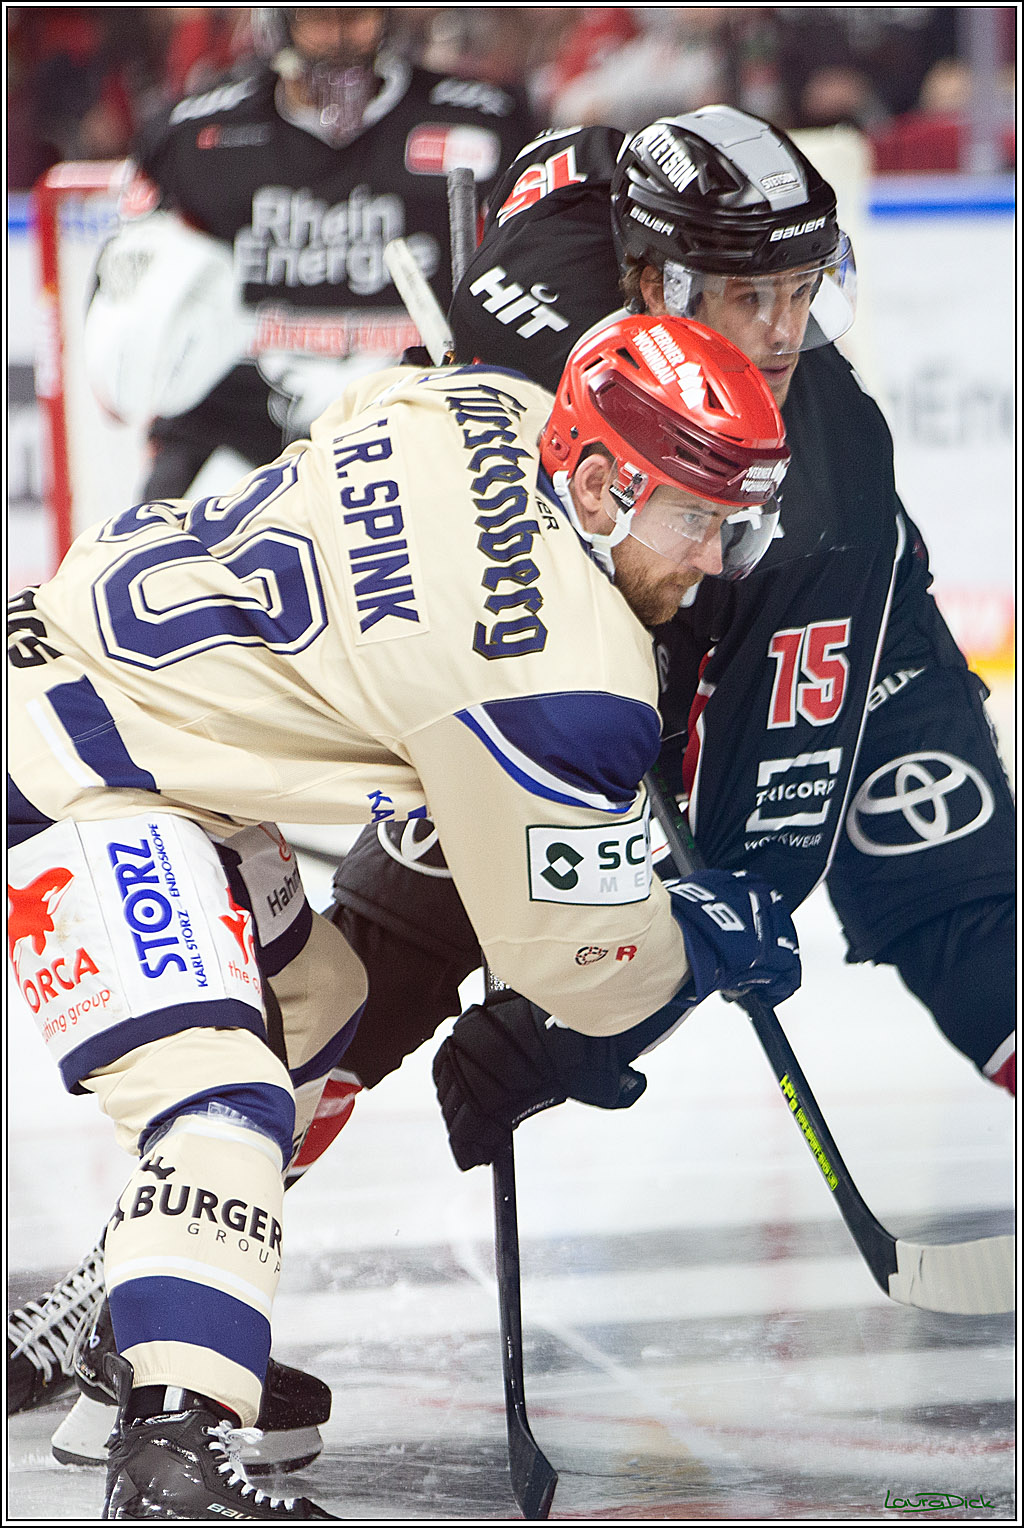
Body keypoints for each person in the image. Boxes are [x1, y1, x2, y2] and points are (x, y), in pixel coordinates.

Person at [6, 314, 800, 1519]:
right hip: (69, 764)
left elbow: (361, 418)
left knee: (320, 1001)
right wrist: (699, 941)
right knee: (221, 1091)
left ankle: (139, 1304)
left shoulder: (482, 405)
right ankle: (166, 1447)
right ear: (594, 483)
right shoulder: (568, 678)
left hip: (139, 716)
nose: (712, 559)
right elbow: (575, 960)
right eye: (694, 517)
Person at [327, 105, 1015, 1172]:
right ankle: (155, 1266)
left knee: (968, 931)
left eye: (803, 288)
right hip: (567, 634)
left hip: (829, 638)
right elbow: (580, 160)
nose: (785, 333)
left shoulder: (822, 503)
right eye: (751, 296)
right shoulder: (557, 249)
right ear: (653, 281)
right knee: (376, 962)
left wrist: (586, 1028)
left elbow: (758, 858)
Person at [82, 5, 537, 499]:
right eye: (319, 18)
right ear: (278, 22)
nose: (340, 37)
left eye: (357, 16)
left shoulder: (487, 121)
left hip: (420, 405)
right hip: (242, 418)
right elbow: (131, 273)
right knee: (162, 545)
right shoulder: (193, 135)